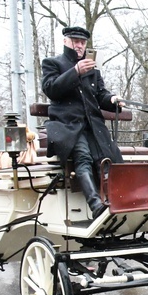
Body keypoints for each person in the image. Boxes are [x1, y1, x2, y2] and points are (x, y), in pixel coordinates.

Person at [41, 25, 124, 219]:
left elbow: (100, 94)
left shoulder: (92, 70)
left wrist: (112, 100)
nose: (79, 45)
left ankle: (116, 200)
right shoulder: (53, 63)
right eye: (75, 41)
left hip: (93, 125)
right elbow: (51, 88)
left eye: (82, 42)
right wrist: (75, 71)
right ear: (66, 41)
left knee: (109, 157)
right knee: (83, 157)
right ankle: (95, 204)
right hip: (67, 125)